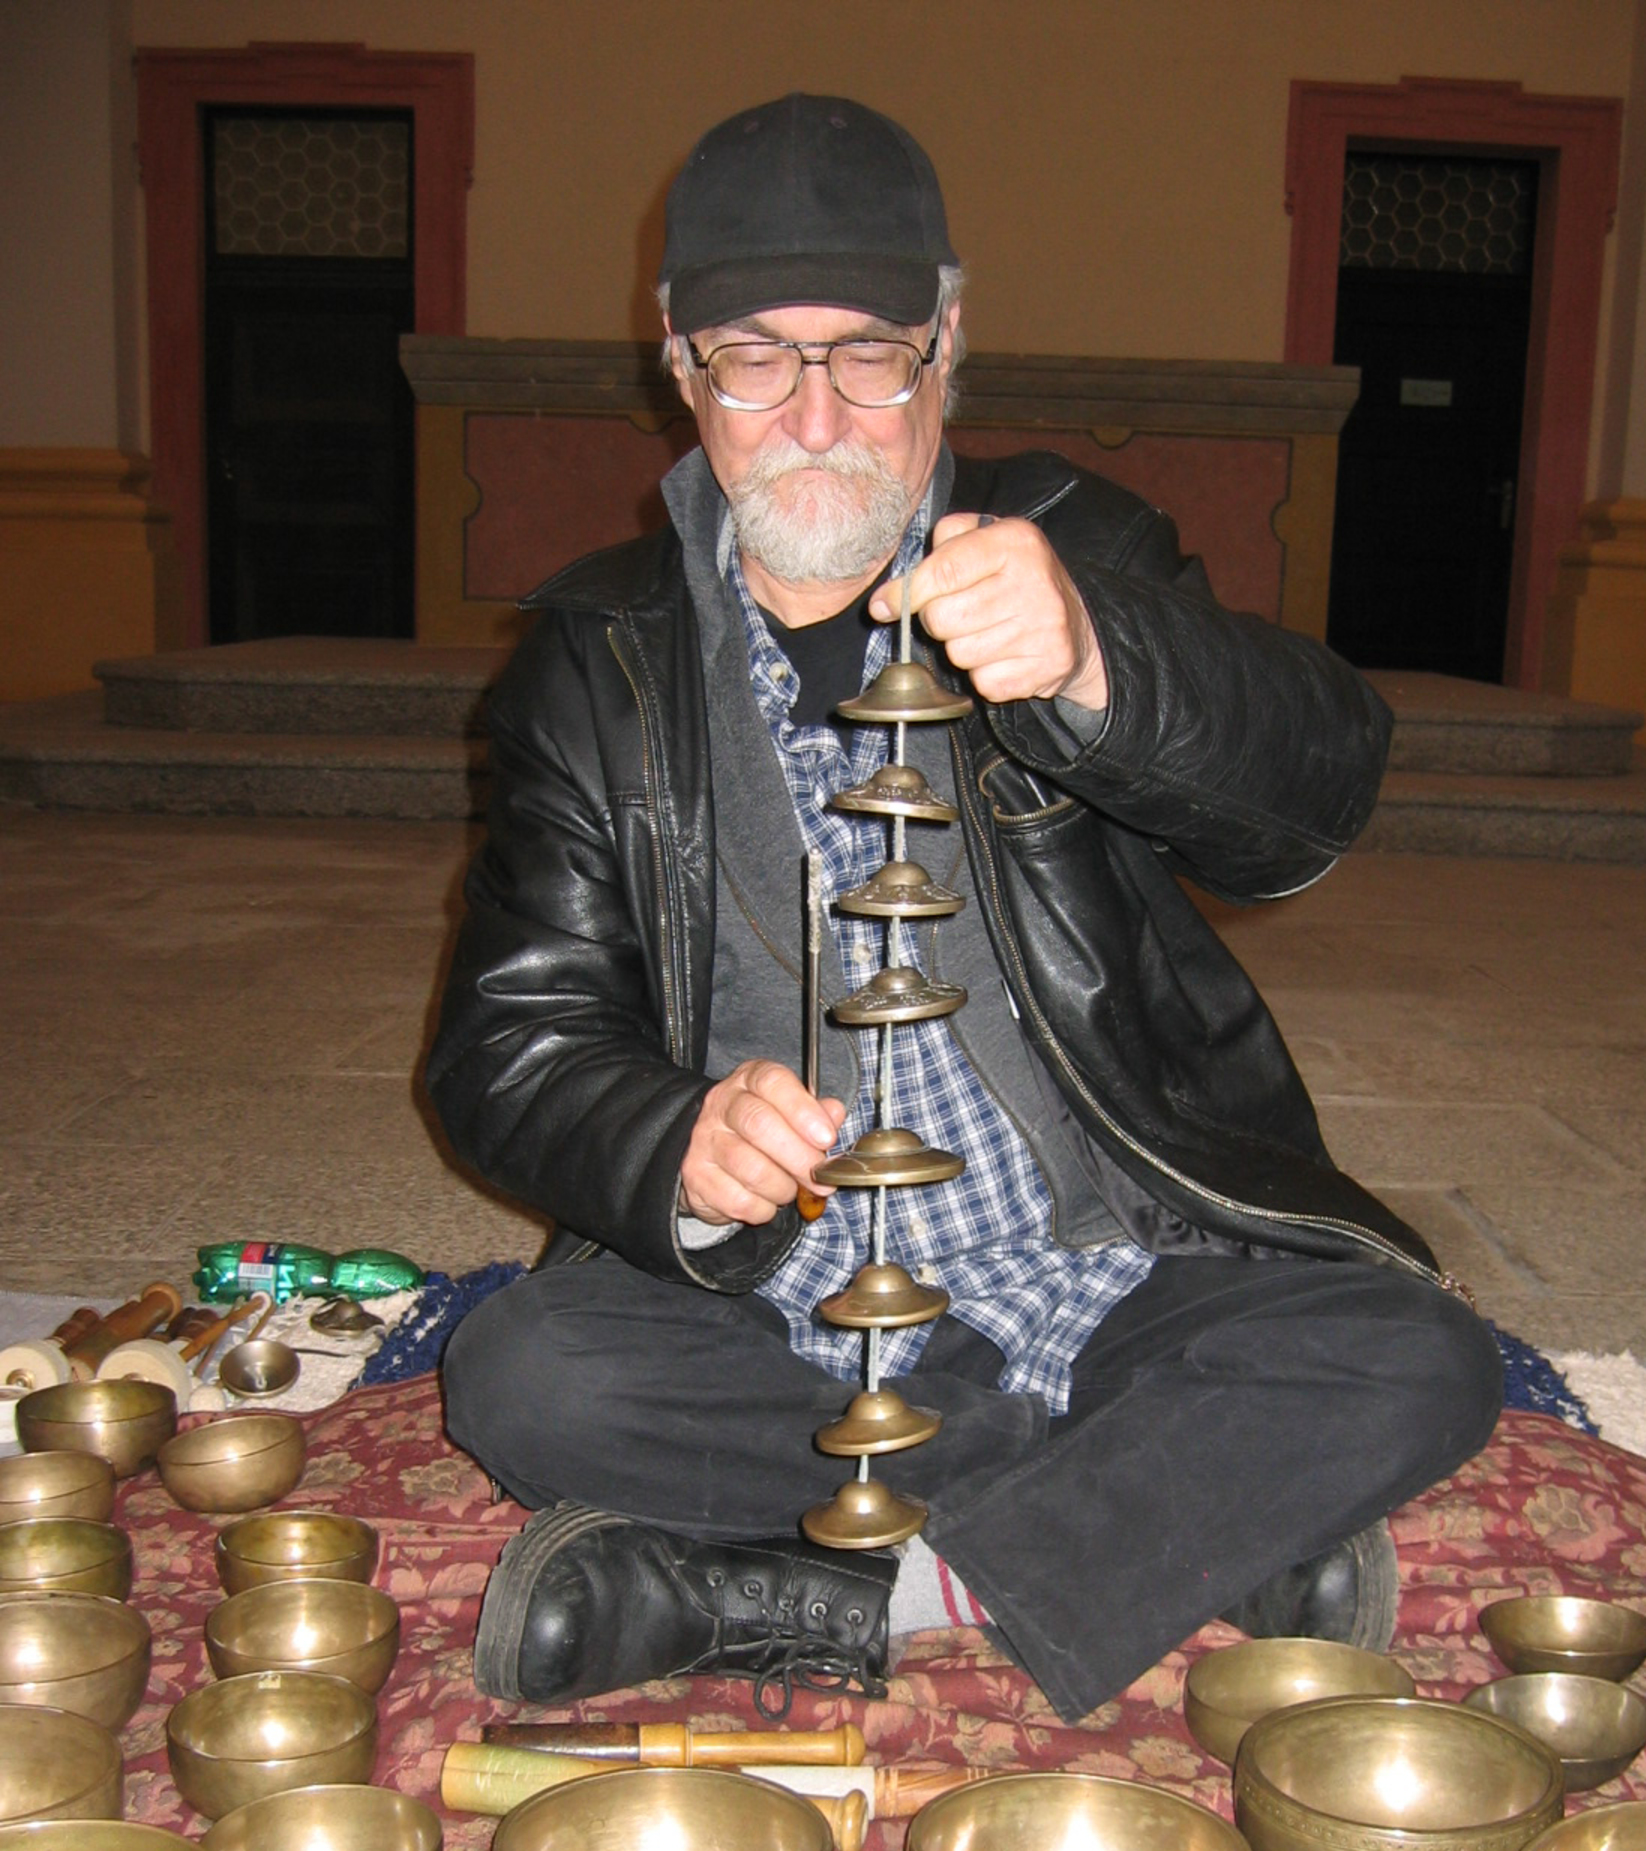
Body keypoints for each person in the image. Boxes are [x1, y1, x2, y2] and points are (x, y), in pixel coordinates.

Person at [426, 92, 1502, 1724]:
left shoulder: (1080, 544)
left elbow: (1317, 794)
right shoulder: (592, 665)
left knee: (1417, 1355)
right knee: (527, 1376)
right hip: (777, 1303)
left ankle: (826, 1595)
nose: (814, 417)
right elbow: (506, 1045)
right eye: (754, 359)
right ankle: (1169, 1523)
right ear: (678, 361)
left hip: (1111, 1256)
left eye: (868, 354)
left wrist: (1103, 663)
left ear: (948, 345)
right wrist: (670, 1142)